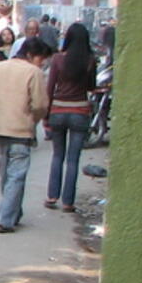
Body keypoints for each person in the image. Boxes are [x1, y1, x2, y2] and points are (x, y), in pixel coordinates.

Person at [0, 37, 51, 234]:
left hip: (1, 131)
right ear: (31, 55)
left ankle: (14, 212)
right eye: (41, 59)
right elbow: (40, 105)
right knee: (16, 176)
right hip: (22, 131)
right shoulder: (34, 72)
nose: (43, 63)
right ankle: (5, 219)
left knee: (7, 175)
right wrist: (33, 120)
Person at [44, 22, 98, 212]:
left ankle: (52, 197)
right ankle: (68, 202)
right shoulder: (90, 60)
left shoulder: (58, 59)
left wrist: (45, 116)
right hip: (80, 112)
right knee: (73, 159)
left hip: (58, 111)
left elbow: (49, 89)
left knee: (57, 155)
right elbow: (91, 87)